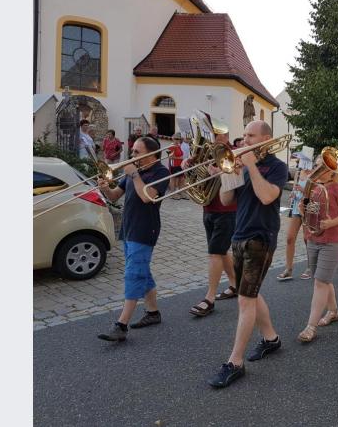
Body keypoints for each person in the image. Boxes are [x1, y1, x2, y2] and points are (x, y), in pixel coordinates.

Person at [207, 120, 288, 388]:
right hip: (239, 235)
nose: (244, 140)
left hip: (261, 238)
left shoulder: (278, 167)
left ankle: (235, 362)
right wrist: (225, 173)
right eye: (243, 136)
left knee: (245, 299)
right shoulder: (240, 164)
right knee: (250, 293)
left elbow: (267, 197)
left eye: (250, 136)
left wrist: (251, 165)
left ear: (266, 138)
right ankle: (271, 339)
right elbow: (228, 200)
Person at [96, 136, 170, 341]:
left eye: (137, 152)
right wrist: (104, 188)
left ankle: (121, 325)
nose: (132, 155)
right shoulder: (131, 172)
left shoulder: (161, 172)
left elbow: (148, 197)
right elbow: (114, 196)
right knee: (142, 272)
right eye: (133, 151)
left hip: (145, 229)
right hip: (129, 228)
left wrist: (135, 175)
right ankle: (153, 313)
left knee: (133, 274)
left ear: (151, 154)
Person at [296, 156, 338, 343]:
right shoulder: (314, 188)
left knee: (320, 282)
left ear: (333, 169)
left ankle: (310, 327)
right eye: (318, 164)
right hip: (314, 238)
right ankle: (333, 311)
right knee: (323, 280)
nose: (318, 168)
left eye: (323, 165)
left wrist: (331, 223)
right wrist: (302, 209)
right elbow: (311, 213)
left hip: (333, 241)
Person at [188, 127, 240, 317]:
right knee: (221, 251)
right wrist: (190, 167)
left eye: (215, 135)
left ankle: (209, 299)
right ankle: (236, 285)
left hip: (226, 211)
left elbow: (235, 182)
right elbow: (197, 178)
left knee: (215, 253)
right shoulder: (207, 153)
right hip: (209, 208)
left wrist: (217, 173)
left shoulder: (231, 155)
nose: (210, 139)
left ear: (225, 136)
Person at [277, 166, 312, 281]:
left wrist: (303, 191)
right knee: (289, 238)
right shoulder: (298, 173)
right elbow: (295, 189)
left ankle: (310, 267)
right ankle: (289, 269)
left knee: (308, 239)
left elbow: (317, 192)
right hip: (297, 208)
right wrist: (293, 194)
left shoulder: (314, 173)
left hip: (308, 208)